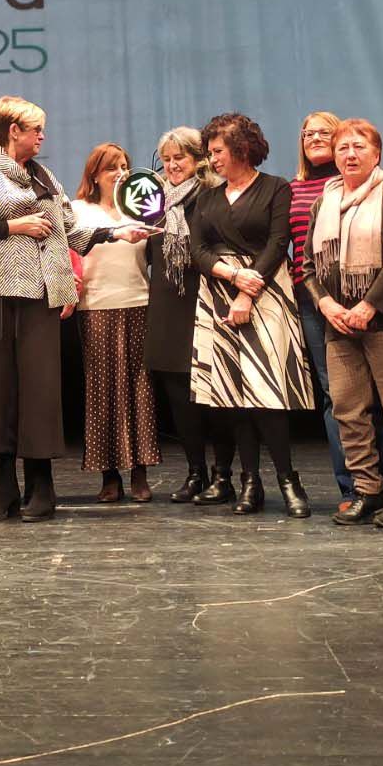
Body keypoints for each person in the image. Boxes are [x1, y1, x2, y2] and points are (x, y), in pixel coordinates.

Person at [0, 96, 152, 522]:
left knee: (40, 392)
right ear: (12, 132)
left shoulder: (44, 176)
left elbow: (71, 231)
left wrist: (117, 233)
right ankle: (1, 490)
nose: (42, 136)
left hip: (40, 293)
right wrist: (12, 226)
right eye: (34, 129)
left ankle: (41, 488)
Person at [189, 112, 316, 518]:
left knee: (267, 393)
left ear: (242, 150)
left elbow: (279, 242)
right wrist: (229, 274)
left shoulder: (276, 188)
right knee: (233, 396)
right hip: (218, 294)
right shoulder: (206, 198)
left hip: (266, 293)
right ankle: (250, 483)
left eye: (217, 151)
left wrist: (248, 288)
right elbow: (198, 249)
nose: (212, 160)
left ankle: (287, 479)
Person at [306, 119, 383, 527]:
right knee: (347, 409)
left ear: (376, 154)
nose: (350, 154)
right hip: (338, 322)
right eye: (342, 148)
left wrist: (370, 304)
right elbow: (307, 266)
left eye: (358, 147)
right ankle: (367, 490)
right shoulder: (323, 201)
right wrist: (326, 304)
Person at [289, 110, 383, 508]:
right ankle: (353, 487)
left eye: (324, 132)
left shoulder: (376, 182)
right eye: (307, 132)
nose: (314, 137)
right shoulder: (292, 190)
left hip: (371, 296)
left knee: (380, 398)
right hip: (316, 302)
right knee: (339, 398)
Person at [141, 127, 234, 503]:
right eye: (166, 159)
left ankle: (223, 475)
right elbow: (149, 249)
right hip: (166, 301)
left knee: (213, 395)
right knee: (179, 395)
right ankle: (195, 472)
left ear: (198, 159)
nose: (172, 165)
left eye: (179, 157)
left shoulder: (213, 196)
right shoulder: (154, 200)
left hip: (205, 299)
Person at [70, 143, 160, 502]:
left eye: (124, 166)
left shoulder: (139, 209)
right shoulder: (78, 210)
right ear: (94, 174)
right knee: (102, 388)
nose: (120, 173)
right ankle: (109, 476)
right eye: (111, 168)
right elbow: (72, 252)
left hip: (138, 301)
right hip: (95, 306)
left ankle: (140, 472)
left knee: (140, 387)